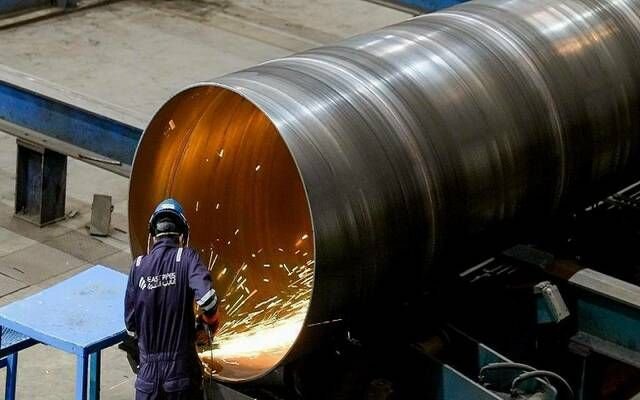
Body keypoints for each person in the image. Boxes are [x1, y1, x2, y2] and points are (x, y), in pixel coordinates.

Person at [125, 198, 220, 400]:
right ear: (182, 234)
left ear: (152, 234)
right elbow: (208, 301)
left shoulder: (138, 266)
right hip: (180, 377)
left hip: (147, 380)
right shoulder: (187, 258)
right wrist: (208, 323)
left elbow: (131, 325)